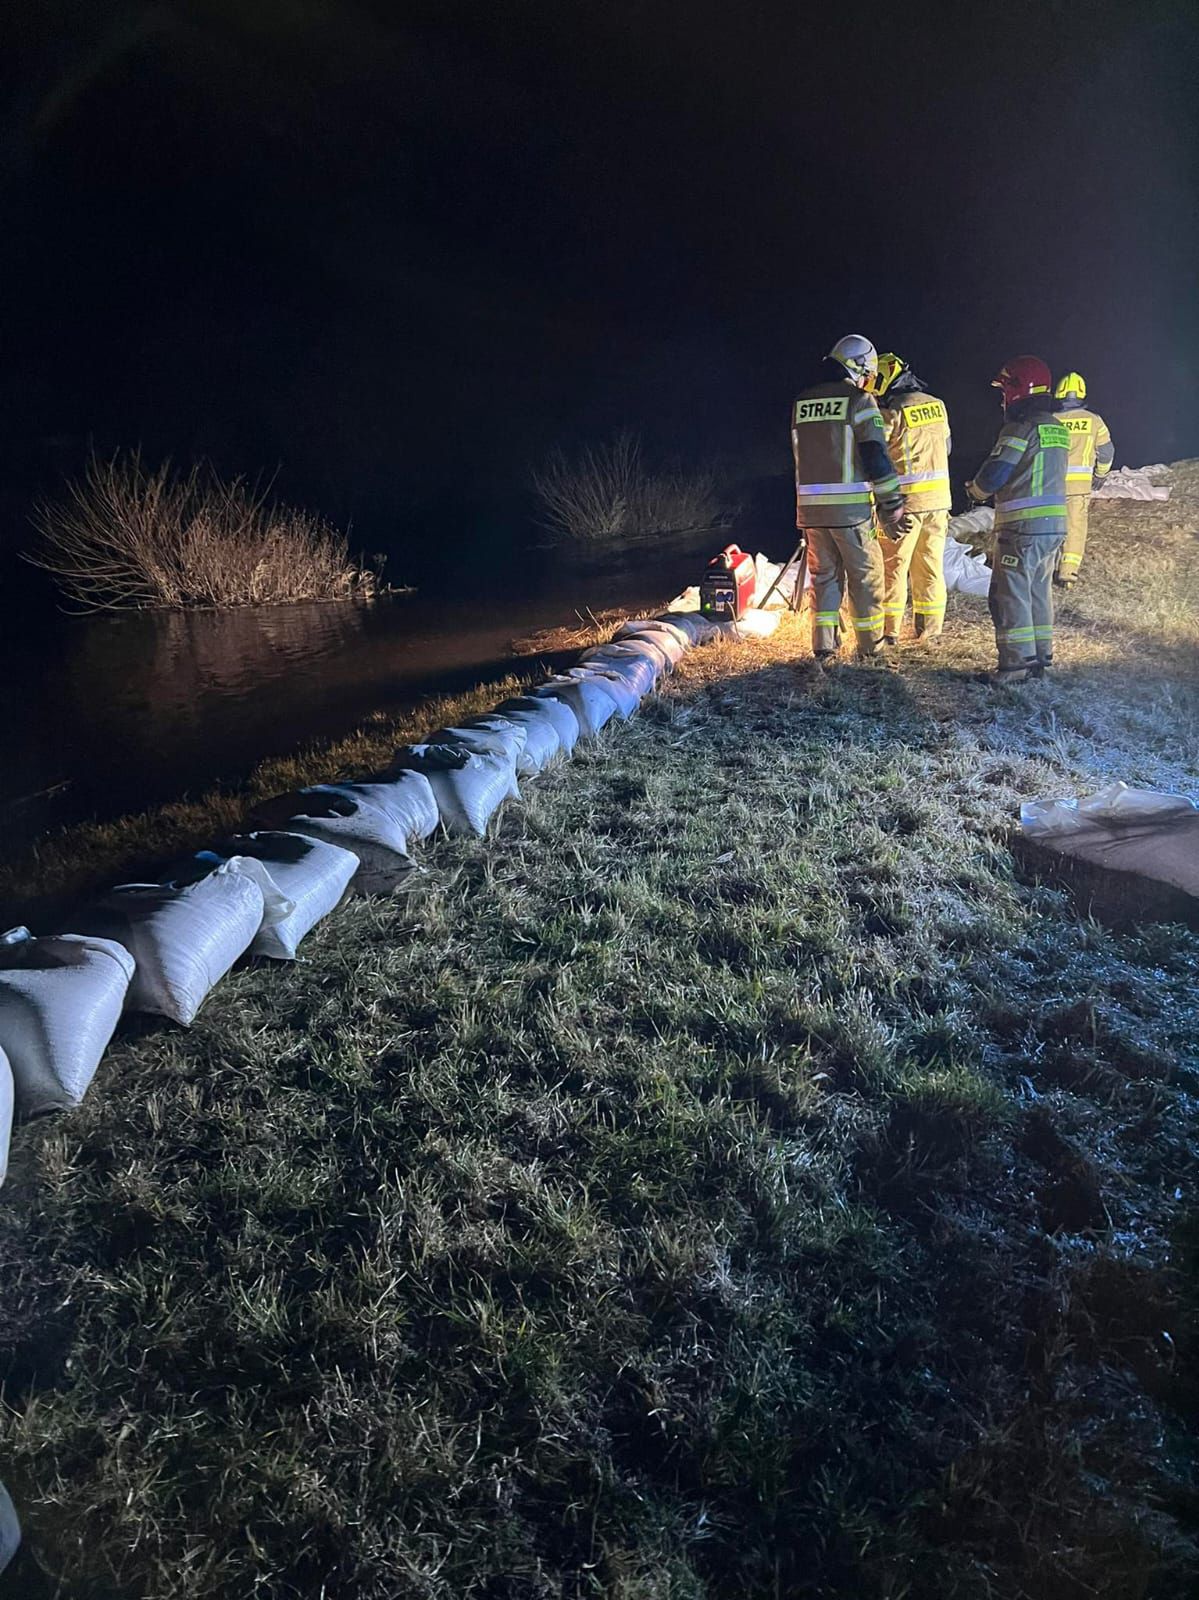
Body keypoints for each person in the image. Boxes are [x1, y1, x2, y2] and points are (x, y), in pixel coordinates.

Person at [791, 334, 906, 666]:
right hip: (851, 513)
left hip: (811, 513)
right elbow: (876, 457)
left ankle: (824, 647)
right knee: (865, 577)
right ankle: (871, 647)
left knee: (824, 578)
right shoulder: (859, 400)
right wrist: (892, 504)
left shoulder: (802, 402)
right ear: (858, 367)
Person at [967, 356, 1069, 682]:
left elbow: (996, 472)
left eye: (1003, 390)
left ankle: (1014, 666)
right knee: (1038, 592)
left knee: (1009, 595)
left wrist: (976, 491)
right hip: (1053, 528)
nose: (1001, 398)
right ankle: (1040, 661)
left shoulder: (1020, 428)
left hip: (1022, 529)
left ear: (1016, 389)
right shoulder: (1057, 428)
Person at [873, 352, 952, 644]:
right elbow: (947, 447)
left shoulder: (891, 412)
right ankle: (929, 632)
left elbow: (875, 456)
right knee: (930, 568)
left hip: (903, 506)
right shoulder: (937, 405)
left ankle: (888, 632)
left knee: (892, 567)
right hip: (939, 502)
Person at [1053, 370, 1114, 586]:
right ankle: (1067, 574)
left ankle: (1047, 569)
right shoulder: (1094, 421)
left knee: (1051, 527)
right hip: (1078, 488)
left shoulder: (1051, 420)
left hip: (1052, 486)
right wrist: (1100, 475)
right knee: (1075, 528)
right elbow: (1107, 452)